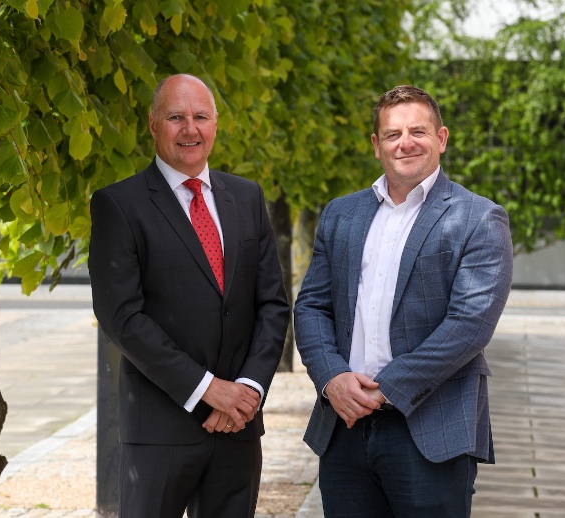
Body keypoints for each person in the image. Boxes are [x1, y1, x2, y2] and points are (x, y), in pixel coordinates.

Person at [294, 85, 513, 517]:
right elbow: (312, 306)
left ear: (441, 138)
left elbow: (469, 325)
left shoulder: (478, 218)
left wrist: (385, 390)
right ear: (376, 145)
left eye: (418, 131)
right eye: (393, 134)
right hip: (344, 426)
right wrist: (332, 377)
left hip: (431, 430)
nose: (405, 143)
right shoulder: (341, 214)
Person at [88, 74, 290, 518]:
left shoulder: (247, 197)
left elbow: (272, 306)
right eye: (175, 117)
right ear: (152, 124)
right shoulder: (119, 205)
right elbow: (122, 317)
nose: (190, 129)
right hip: (160, 430)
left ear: (215, 123)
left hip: (237, 427)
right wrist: (207, 390)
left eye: (200, 116)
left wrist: (247, 390)